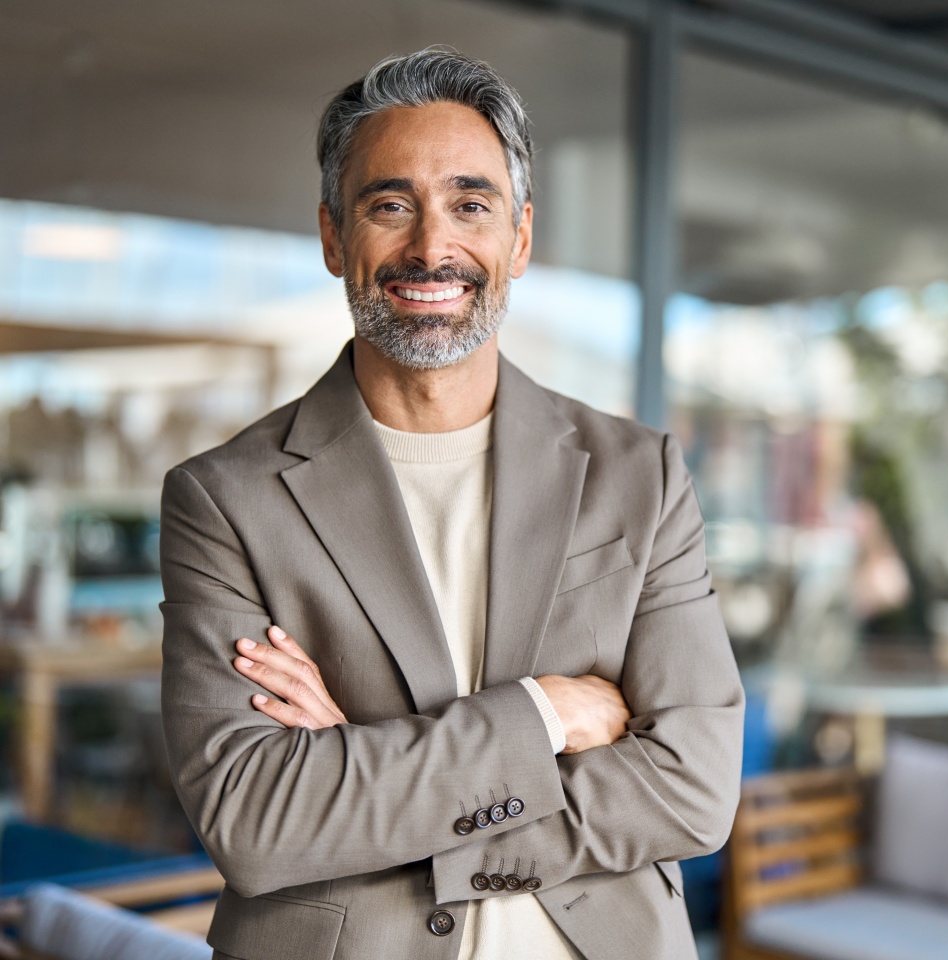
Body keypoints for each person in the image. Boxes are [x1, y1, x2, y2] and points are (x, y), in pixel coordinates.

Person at [160, 49, 744, 960]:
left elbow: (693, 790)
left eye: (471, 205)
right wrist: (546, 716)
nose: (432, 248)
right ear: (330, 236)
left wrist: (364, 773)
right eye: (389, 205)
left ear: (519, 238)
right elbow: (257, 820)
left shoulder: (643, 474)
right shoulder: (224, 499)